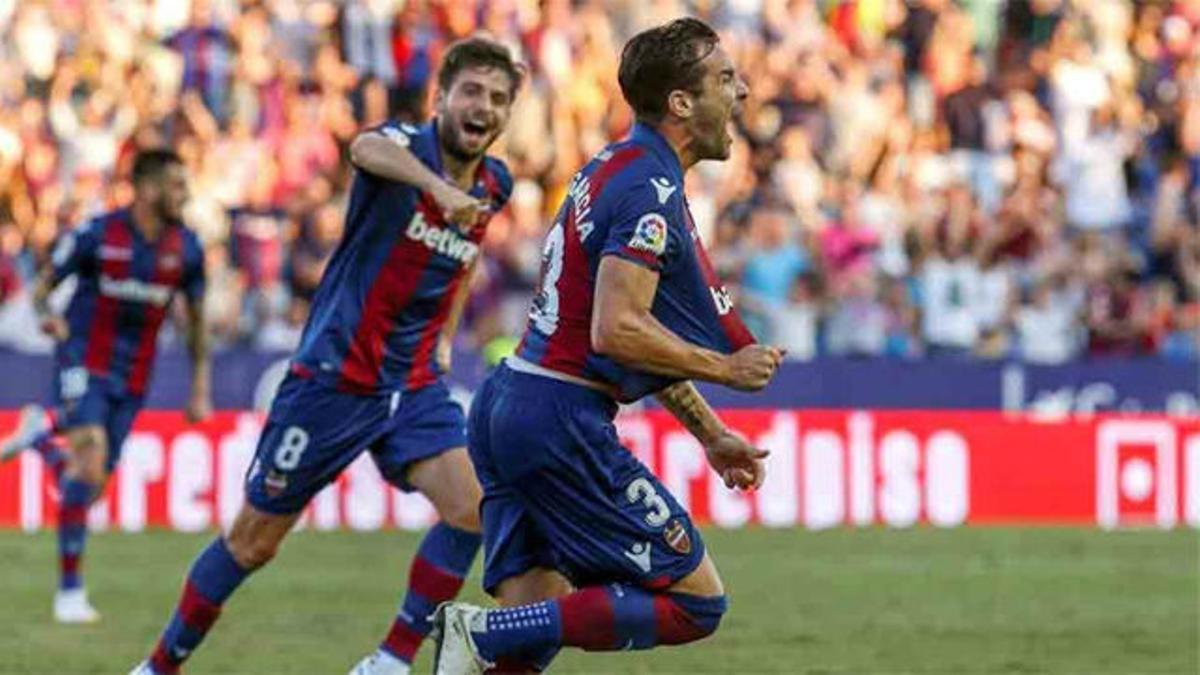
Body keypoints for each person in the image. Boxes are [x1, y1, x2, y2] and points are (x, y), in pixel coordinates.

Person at [128, 36, 520, 675]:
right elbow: (365, 148)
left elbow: (468, 256)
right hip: (334, 379)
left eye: (499, 98)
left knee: (472, 508)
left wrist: (446, 335)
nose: (484, 106)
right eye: (472, 91)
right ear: (441, 97)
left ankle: (390, 661)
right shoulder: (403, 147)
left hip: (413, 382)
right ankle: (159, 667)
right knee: (253, 543)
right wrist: (435, 188)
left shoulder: (495, 183)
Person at [431, 18, 783, 674]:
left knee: (524, 650)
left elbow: (626, 336)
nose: (741, 92)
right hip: (558, 417)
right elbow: (616, 329)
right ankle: (480, 632)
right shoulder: (647, 190)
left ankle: (490, 639)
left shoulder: (613, 167)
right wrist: (725, 368)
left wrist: (708, 432)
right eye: (726, 79)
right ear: (681, 101)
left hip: (513, 401)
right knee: (695, 602)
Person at [0, 149, 211, 623]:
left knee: (88, 486)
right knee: (90, 449)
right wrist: (47, 317)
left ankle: (40, 437)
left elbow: (197, 325)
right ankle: (69, 593)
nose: (187, 195)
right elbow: (42, 287)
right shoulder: (98, 235)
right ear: (148, 188)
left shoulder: (188, 249)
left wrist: (200, 389)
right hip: (82, 359)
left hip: (134, 376)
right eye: (178, 186)